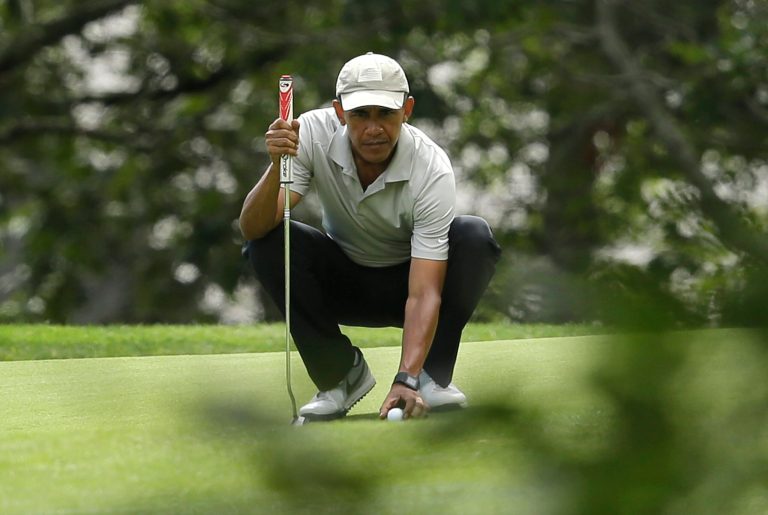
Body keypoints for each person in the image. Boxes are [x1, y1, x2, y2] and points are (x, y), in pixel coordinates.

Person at [240, 52, 501, 421]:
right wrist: (275, 164)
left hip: (409, 286)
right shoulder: (309, 132)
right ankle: (339, 375)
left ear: (407, 110)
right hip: (342, 282)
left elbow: (424, 292)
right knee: (269, 242)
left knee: (473, 236)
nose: (373, 128)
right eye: (361, 114)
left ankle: (430, 376)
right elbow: (252, 228)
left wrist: (405, 378)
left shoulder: (431, 167)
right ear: (339, 112)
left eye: (386, 113)